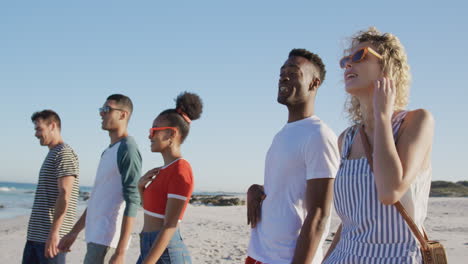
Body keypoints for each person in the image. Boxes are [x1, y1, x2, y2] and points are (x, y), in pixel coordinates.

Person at [323, 27, 434, 263]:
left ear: (387, 67)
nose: (347, 65)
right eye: (345, 60)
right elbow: (350, 222)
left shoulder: (416, 122)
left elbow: (390, 191)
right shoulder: (347, 138)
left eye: (359, 56)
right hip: (344, 257)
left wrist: (382, 117)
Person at [245, 49, 340, 264]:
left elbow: (319, 215)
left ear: (314, 83)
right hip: (259, 254)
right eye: (281, 73)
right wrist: (257, 189)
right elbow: (288, 189)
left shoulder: (319, 135)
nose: (284, 77)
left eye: (294, 72)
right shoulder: (282, 134)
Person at [58, 94, 142, 264]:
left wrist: (120, 252)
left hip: (107, 241)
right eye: (101, 110)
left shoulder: (128, 149)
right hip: (95, 238)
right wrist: (74, 232)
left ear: (123, 114)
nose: (101, 114)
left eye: (107, 109)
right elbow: (97, 199)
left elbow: (133, 200)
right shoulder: (108, 151)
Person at [137, 91, 203, 264]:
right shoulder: (164, 170)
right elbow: (154, 212)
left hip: (164, 253)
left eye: (154, 131)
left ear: (171, 134)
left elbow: (169, 226)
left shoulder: (181, 170)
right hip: (150, 247)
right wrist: (140, 188)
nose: (149, 136)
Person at [23, 110, 80, 264]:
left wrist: (54, 233)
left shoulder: (64, 153)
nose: (36, 134)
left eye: (39, 129)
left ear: (52, 126)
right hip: (36, 237)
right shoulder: (54, 153)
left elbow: (65, 194)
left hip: (51, 240)